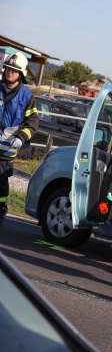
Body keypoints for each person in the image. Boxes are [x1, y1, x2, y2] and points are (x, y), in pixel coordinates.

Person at [0, 52, 38, 225]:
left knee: (0, 181)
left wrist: (22, 138)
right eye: (8, 68)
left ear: (20, 73)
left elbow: (33, 123)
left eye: (14, 70)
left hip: (7, 149)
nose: (10, 72)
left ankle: (0, 209)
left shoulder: (27, 97)